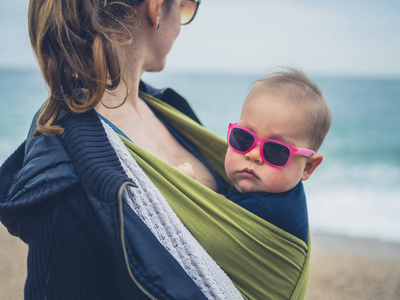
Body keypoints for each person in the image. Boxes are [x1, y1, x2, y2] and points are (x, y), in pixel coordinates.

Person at [0, 0, 243, 299]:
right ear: (155, 8)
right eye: (184, 6)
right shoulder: (65, 177)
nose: (181, 22)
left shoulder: (171, 109)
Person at [177, 69, 331, 244]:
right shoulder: (272, 189)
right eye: (244, 138)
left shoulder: (268, 209)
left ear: (308, 167)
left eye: (275, 150)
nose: (253, 154)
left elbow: (203, 234)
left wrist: (186, 187)